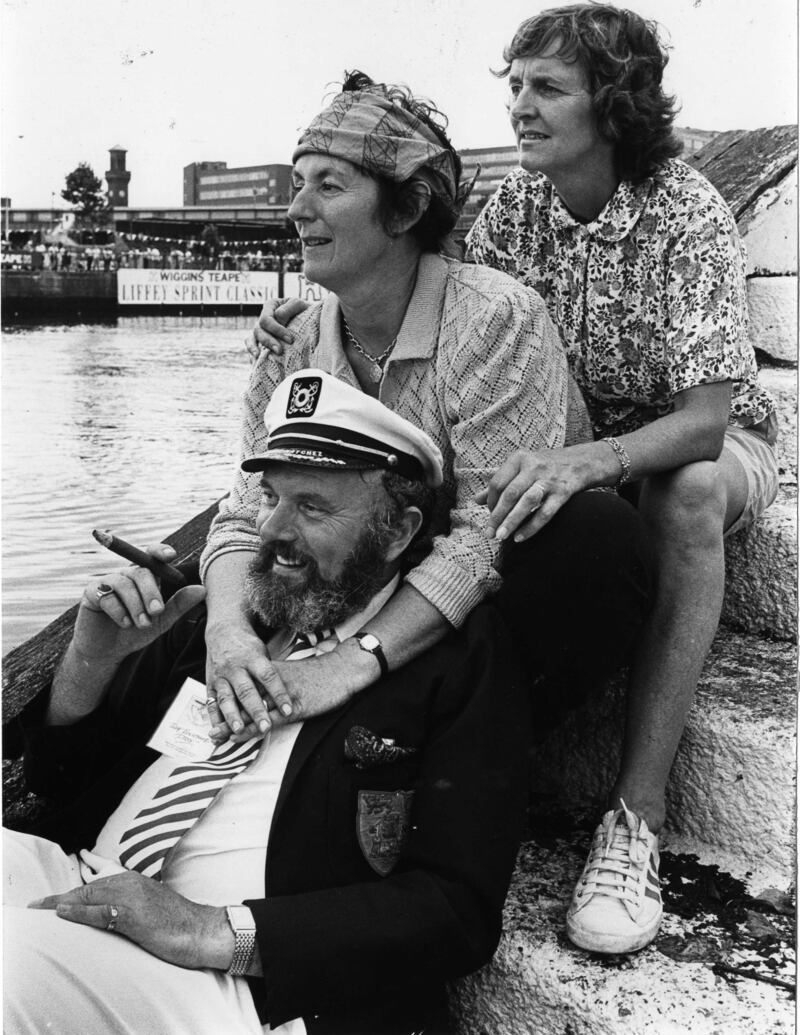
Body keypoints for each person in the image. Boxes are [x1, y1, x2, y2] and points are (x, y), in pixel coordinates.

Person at [4, 372, 530, 1035]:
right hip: (80, 883)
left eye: (311, 507)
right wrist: (92, 657)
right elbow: (59, 779)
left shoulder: (456, 656)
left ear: (397, 531)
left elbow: (456, 910)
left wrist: (211, 931)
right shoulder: (225, 622)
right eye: (272, 497)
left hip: (234, 987)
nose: (273, 530)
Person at [201, 70, 651, 759]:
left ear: (407, 210)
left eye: (329, 185)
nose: (297, 209)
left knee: (597, 534)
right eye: (298, 182)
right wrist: (226, 634)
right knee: (197, 598)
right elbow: (241, 514)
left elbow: (485, 534)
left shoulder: (493, 317)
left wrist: (350, 664)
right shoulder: (291, 341)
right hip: (367, 581)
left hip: (490, 594)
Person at [463, 4, 779, 954]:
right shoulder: (512, 213)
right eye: (514, 86)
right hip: (578, 450)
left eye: (547, 88)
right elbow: (450, 325)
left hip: (707, 454)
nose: (520, 106)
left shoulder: (685, 209)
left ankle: (632, 825)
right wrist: (307, 324)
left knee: (680, 491)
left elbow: (706, 421)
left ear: (614, 103)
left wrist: (591, 462)